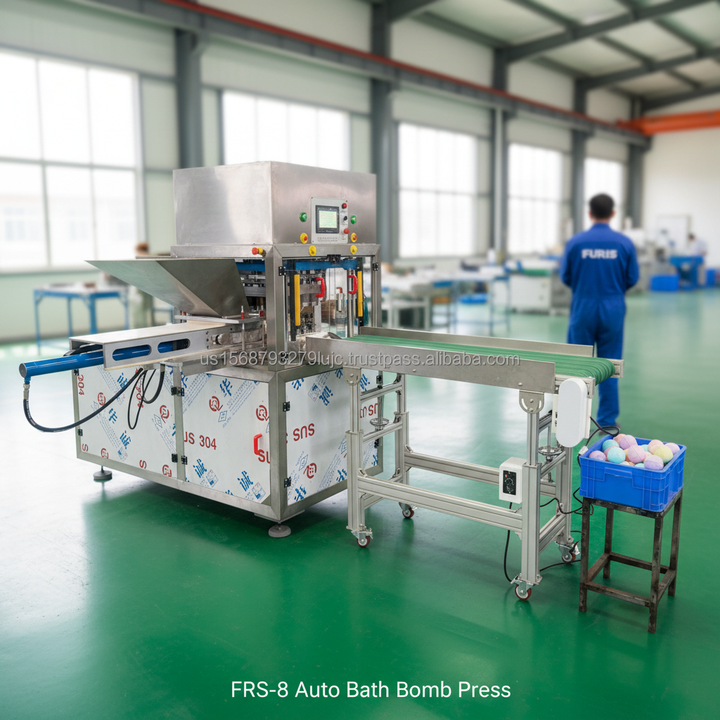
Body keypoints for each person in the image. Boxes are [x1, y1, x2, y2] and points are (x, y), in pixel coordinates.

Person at [560, 194, 639, 430]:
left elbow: (565, 276)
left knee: (577, 365)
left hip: (583, 306)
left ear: (590, 213)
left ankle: (573, 419)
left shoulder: (576, 242)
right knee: (609, 365)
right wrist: (613, 290)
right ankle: (606, 421)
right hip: (612, 307)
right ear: (613, 213)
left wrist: (585, 287)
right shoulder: (624, 243)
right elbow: (632, 278)